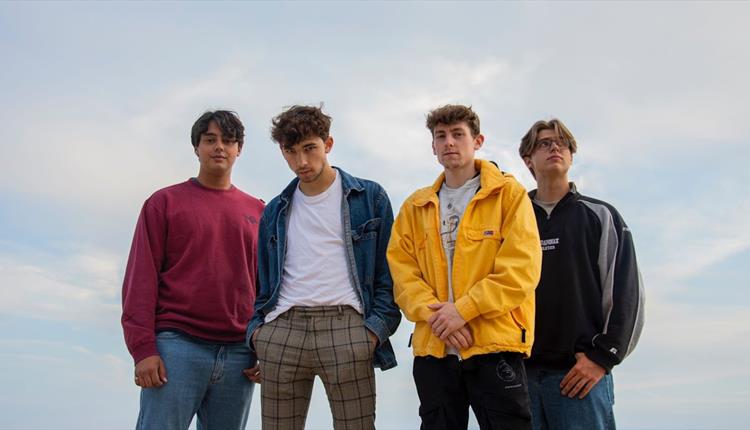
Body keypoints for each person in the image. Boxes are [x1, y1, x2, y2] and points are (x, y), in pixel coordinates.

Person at [246, 105, 401, 430]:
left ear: (327, 144)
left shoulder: (370, 197)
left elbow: (390, 275)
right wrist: (259, 333)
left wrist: (373, 332)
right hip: (283, 329)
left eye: (309, 148)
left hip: (349, 327)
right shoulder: (274, 210)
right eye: (291, 151)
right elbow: (261, 281)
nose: (301, 162)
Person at [387, 104, 541, 429]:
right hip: (434, 348)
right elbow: (402, 275)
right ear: (432, 146)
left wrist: (464, 310)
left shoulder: (508, 195)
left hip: (494, 345)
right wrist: (440, 317)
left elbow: (521, 270)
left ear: (478, 140)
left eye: (458, 134)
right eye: (441, 136)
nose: (449, 143)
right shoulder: (414, 206)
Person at [121, 110, 264, 430]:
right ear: (196, 147)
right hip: (176, 347)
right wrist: (143, 349)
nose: (219, 148)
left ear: (239, 149)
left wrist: (265, 348)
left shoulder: (259, 211)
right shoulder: (163, 203)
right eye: (210, 140)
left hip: (240, 353)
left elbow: (267, 289)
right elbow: (140, 281)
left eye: (228, 141)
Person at [518, 118, 645, 430]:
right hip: (519, 375)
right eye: (544, 143)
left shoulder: (600, 215)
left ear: (571, 156)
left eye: (561, 143)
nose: (554, 148)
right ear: (527, 159)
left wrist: (602, 359)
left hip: (579, 375)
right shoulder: (512, 218)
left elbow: (627, 295)